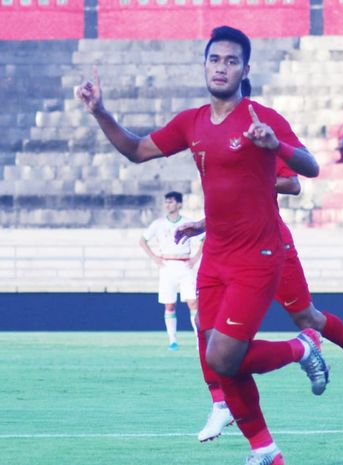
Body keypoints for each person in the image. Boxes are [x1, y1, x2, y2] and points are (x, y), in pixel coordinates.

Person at [76, 25, 329, 465]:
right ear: (205, 64)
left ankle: (303, 347)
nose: (221, 67)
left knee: (223, 356)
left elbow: (310, 167)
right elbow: (136, 151)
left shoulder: (261, 118)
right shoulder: (190, 122)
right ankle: (266, 451)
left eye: (232, 61)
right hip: (215, 257)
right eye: (215, 59)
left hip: (258, 256)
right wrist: (100, 112)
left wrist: (278, 144)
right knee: (217, 361)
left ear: (245, 69)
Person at [179, 157, 343, 442]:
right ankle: (220, 403)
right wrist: (203, 224)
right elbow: (227, 204)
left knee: (307, 317)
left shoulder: (259, 143)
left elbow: (292, 183)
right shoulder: (212, 144)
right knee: (204, 322)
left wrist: (249, 181)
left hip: (270, 244)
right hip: (229, 248)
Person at [139, 191, 202, 350]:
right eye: (166, 202)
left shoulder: (187, 222)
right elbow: (142, 240)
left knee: (193, 303)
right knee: (169, 305)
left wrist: (195, 258)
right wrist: (155, 258)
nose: (168, 205)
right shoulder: (158, 224)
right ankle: (172, 341)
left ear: (179, 204)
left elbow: (204, 240)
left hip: (184, 264)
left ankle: (199, 340)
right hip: (167, 266)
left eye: (171, 202)